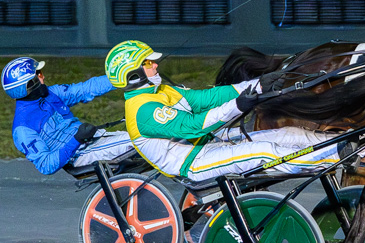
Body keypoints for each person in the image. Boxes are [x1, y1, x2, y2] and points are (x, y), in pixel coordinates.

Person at [105, 40, 350, 182]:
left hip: (209, 145)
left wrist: (258, 84)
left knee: (290, 134)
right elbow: (193, 126)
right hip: (193, 162)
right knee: (264, 151)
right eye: (148, 63)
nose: (156, 64)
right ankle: (343, 155)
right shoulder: (143, 109)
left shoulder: (161, 92)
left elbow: (208, 97)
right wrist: (237, 106)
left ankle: (352, 143)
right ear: (133, 74)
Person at [3, 57, 134, 175]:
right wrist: (77, 139)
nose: (43, 77)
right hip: (81, 154)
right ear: (29, 84)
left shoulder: (52, 93)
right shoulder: (23, 129)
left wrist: (122, 77)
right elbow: (46, 165)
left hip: (95, 140)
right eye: (39, 74)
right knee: (143, 140)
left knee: (146, 134)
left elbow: (85, 89)